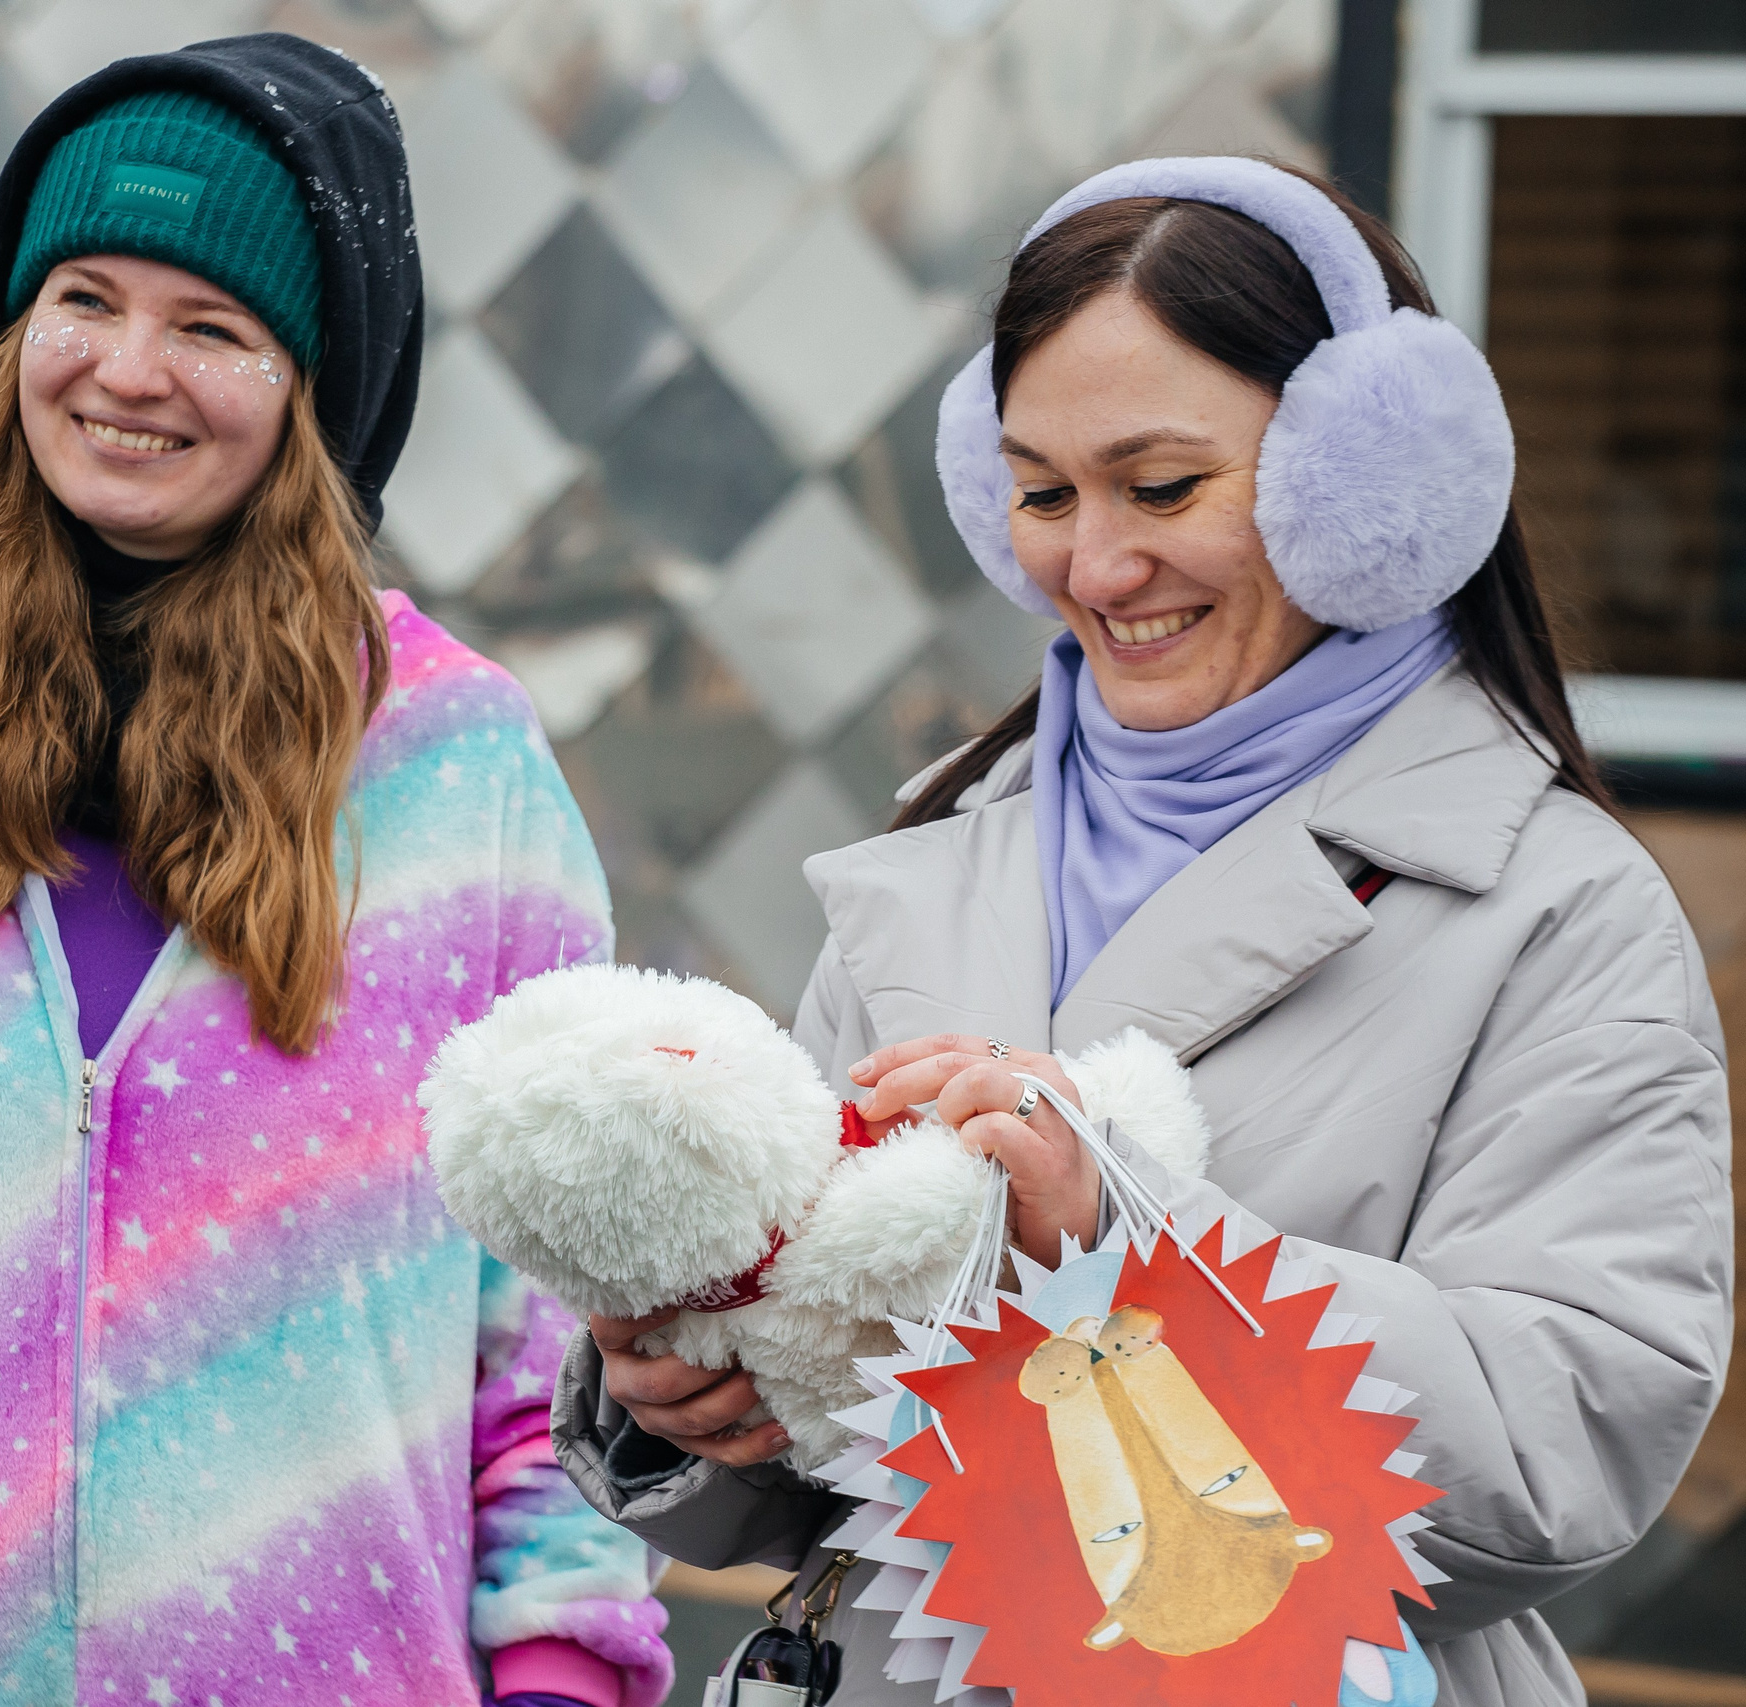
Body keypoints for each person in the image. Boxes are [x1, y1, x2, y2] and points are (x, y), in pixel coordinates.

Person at [0, 35, 668, 1707]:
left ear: (316, 392)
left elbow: (561, 1326)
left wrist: (564, 1673)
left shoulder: (460, 776)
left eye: (214, 327)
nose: (129, 370)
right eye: (85, 297)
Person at [554, 157, 1731, 1706]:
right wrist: (701, 1386)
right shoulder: (942, 853)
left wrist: (1130, 1256)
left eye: (1162, 487)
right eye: (1041, 493)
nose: (1094, 570)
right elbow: (821, 1499)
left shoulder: (1553, 906)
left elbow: (1569, 1447)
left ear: (1370, 484)